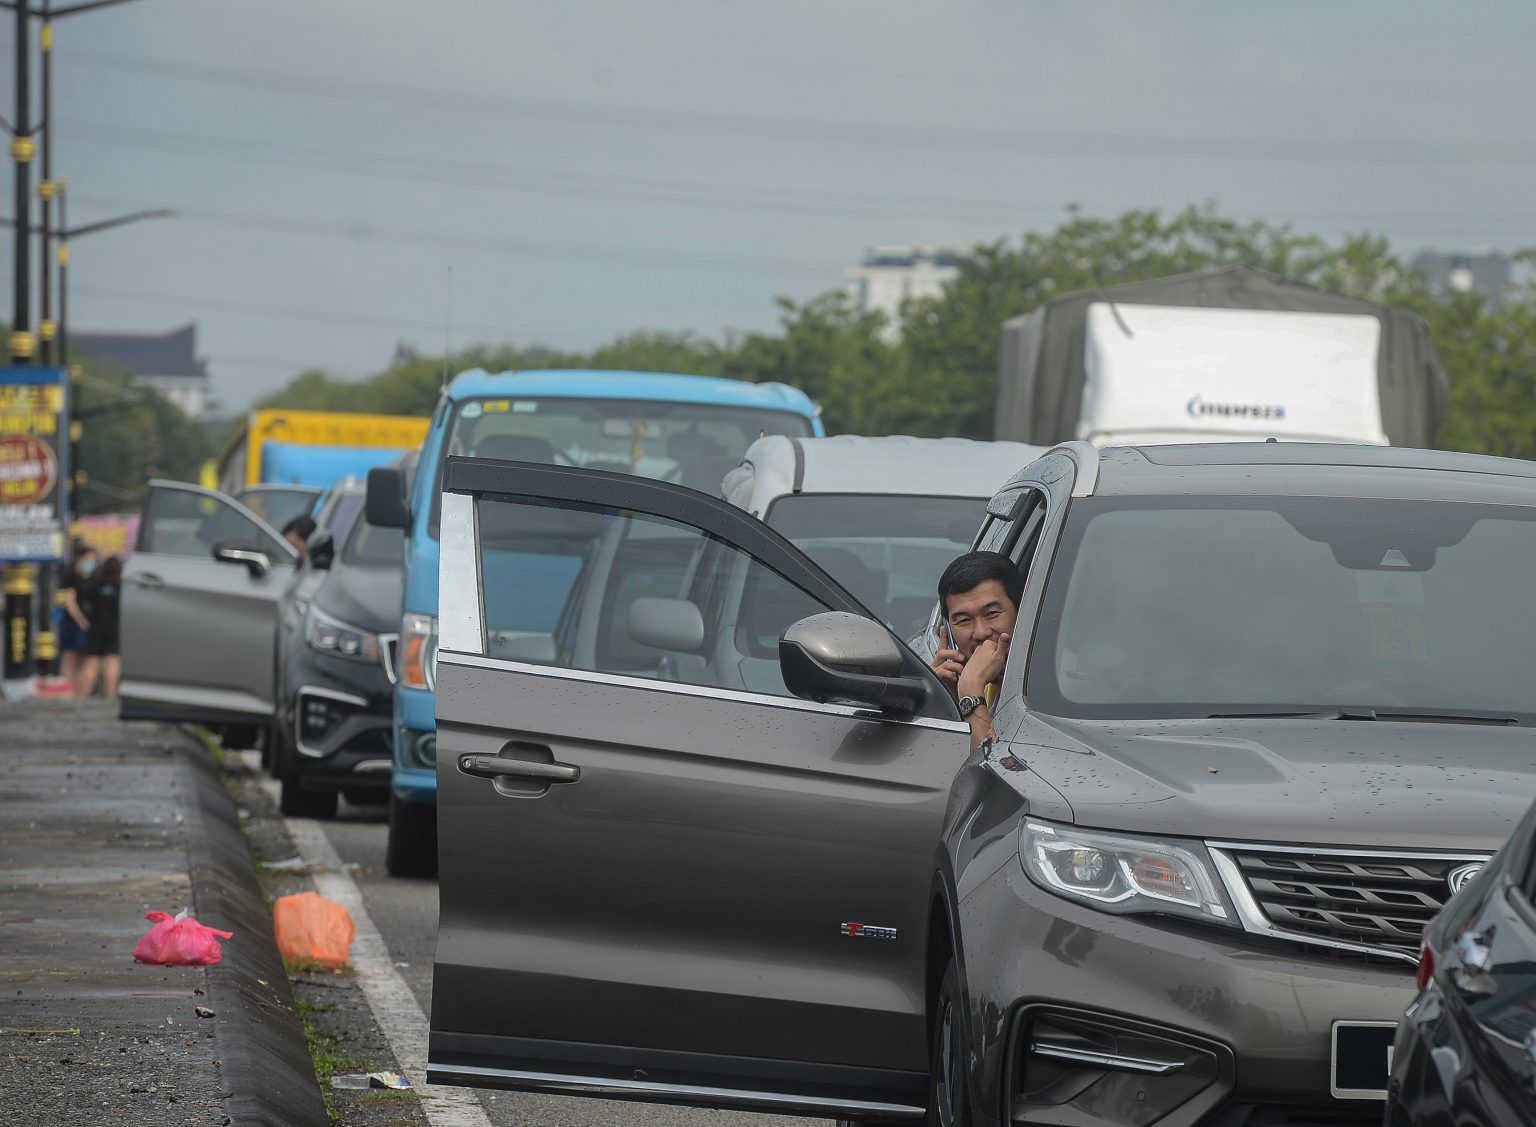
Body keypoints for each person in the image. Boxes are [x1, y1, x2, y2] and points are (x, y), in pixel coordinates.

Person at [929, 551, 1022, 749]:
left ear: (1022, 610)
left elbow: (988, 762)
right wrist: (945, 700)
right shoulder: (966, 679)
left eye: (992, 613)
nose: (981, 633)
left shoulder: (1054, 686)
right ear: (949, 631)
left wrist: (971, 692)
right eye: (964, 620)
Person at [76, 556, 123, 699]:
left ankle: (82, 698)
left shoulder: (95, 584)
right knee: (112, 665)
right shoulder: (121, 587)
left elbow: (86, 604)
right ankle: (111, 698)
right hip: (114, 629)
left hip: (95, 629)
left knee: (91, 664)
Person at [58, 546, 98, 687]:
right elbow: (70, 601)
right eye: (87, 558)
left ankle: (79, 692)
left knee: (84, 660)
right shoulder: (71, 576)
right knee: (70, 658)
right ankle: (68, 689)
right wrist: (80, 620)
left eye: (93, 559)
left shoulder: (94, 578)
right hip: (72, 623)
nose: (90, 562)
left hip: (88, 624)